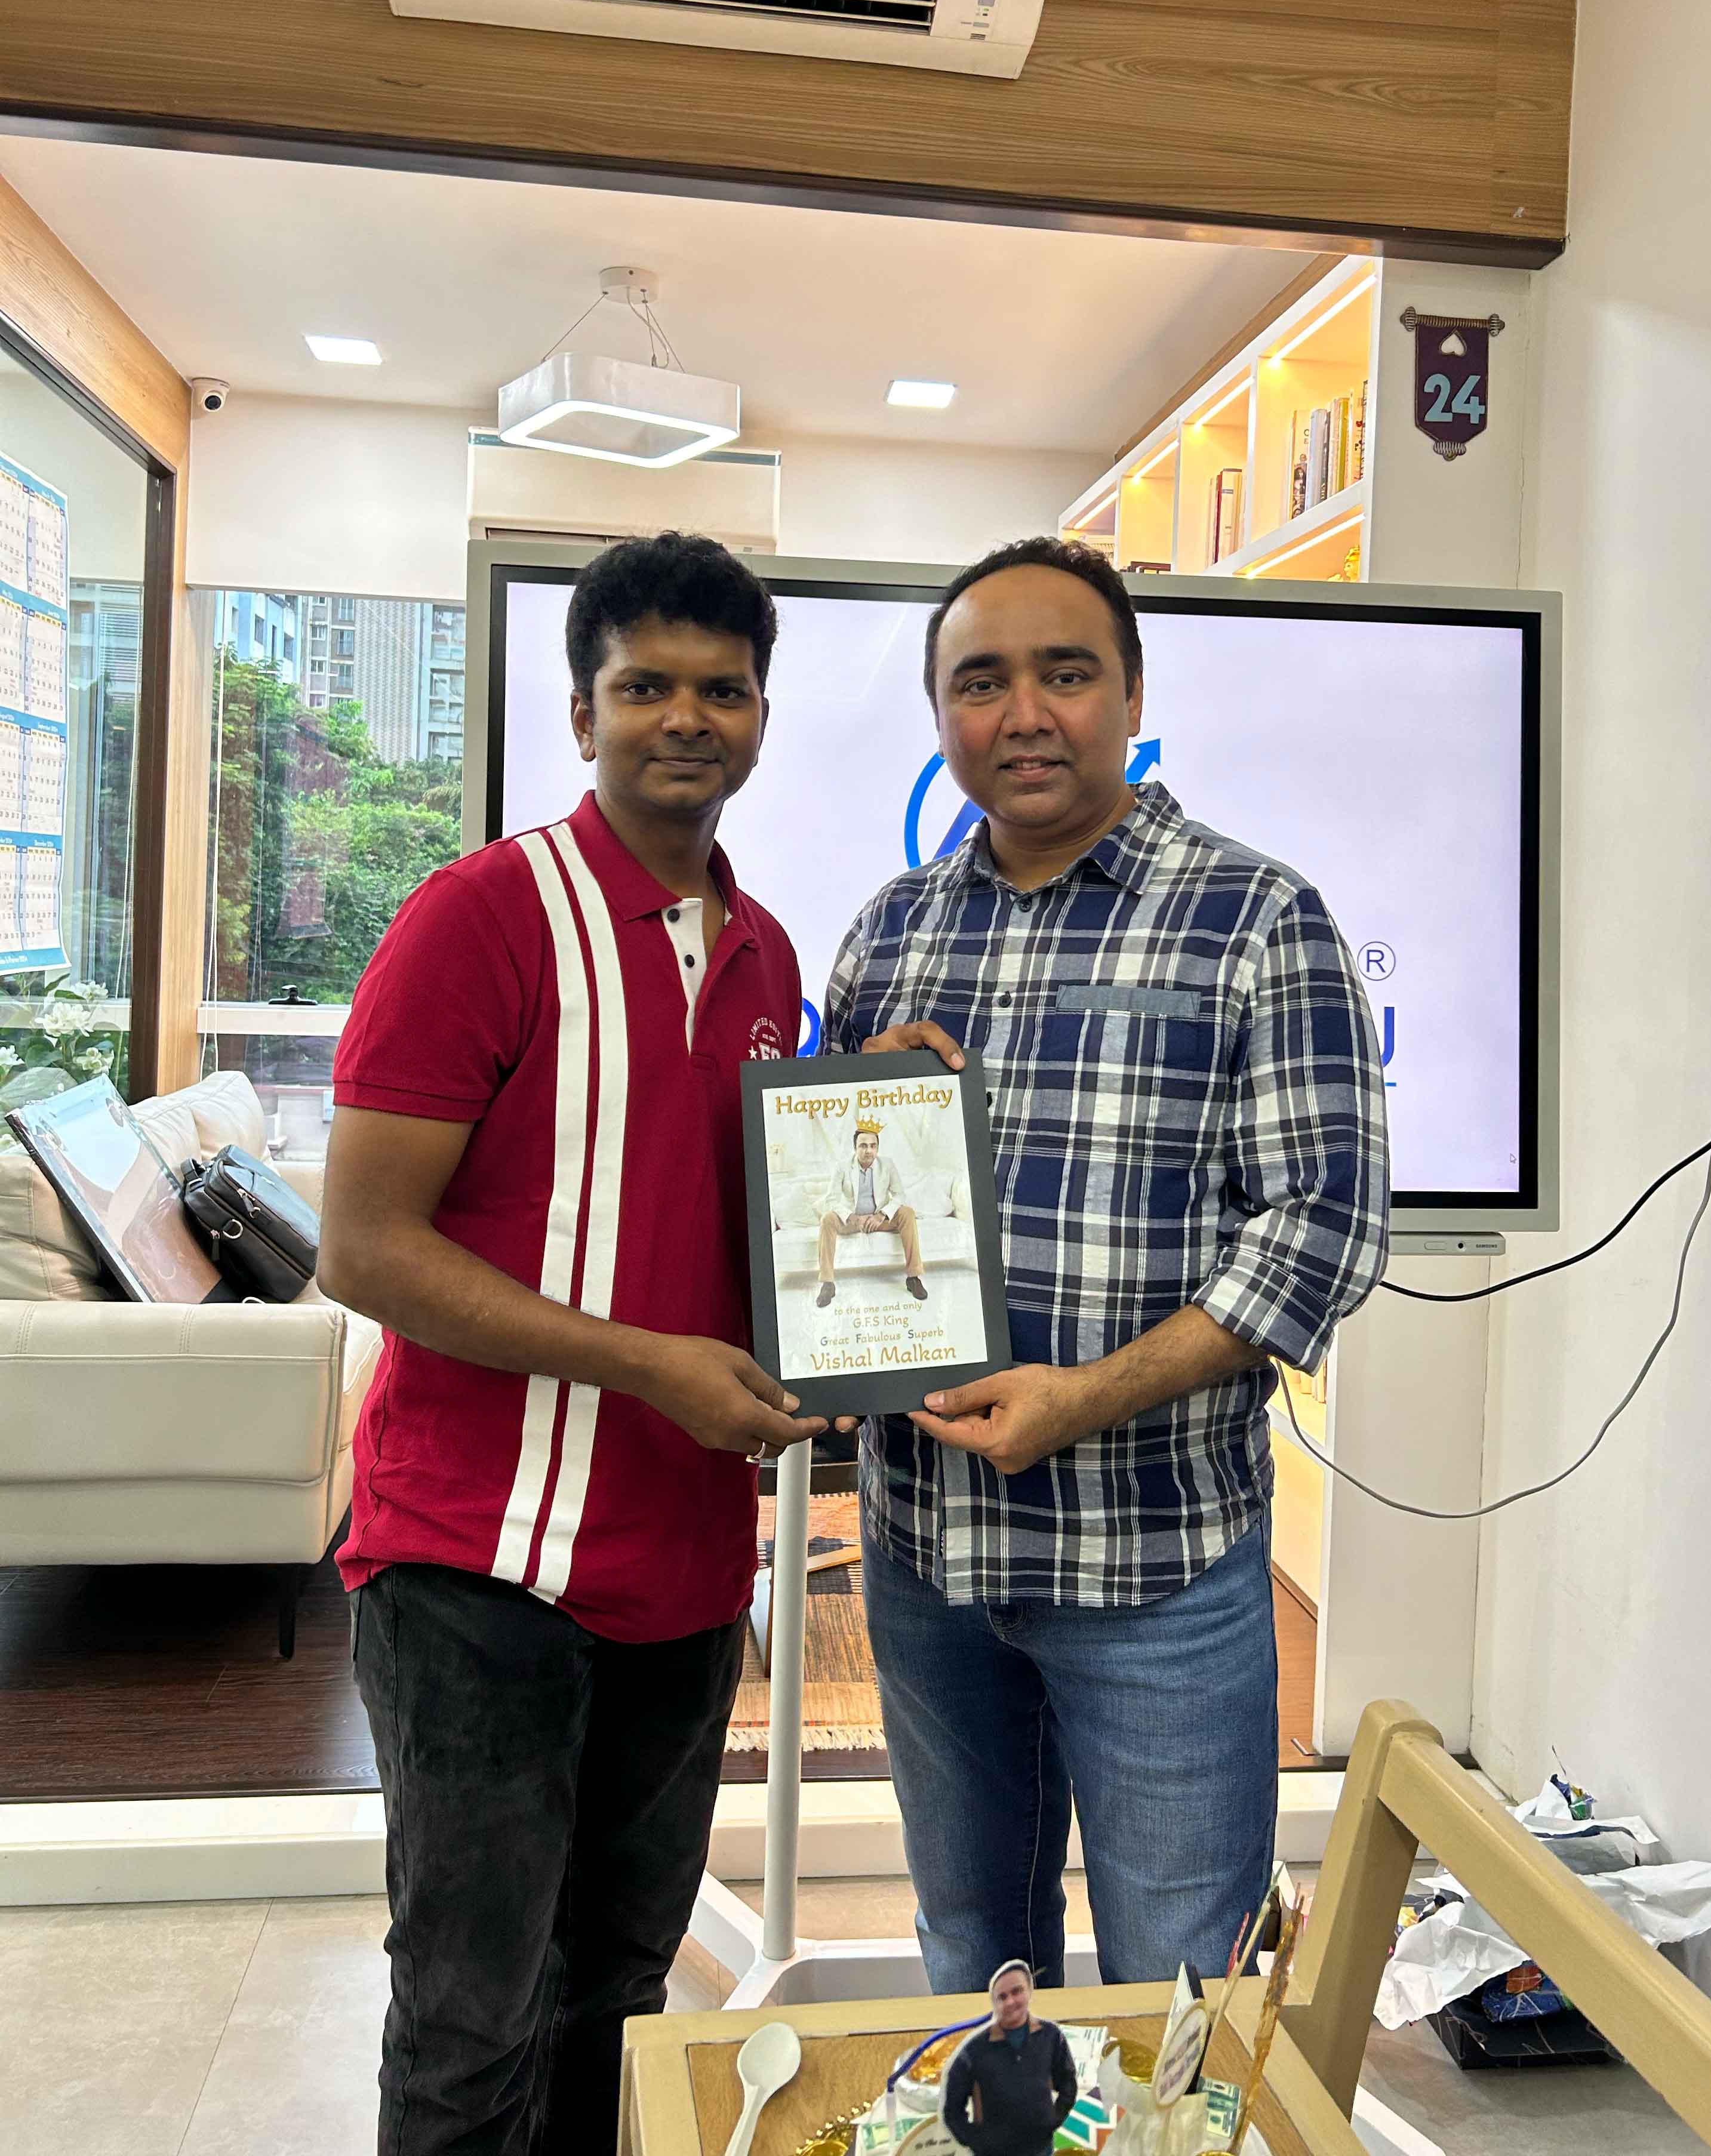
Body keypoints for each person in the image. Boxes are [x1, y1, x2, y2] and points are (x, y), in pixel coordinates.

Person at [318, 531, 825, 2155]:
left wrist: (865, 1123)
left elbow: (729, 1221)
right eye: (645, 685)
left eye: (722, 690)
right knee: (471, 2022)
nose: (687, 718)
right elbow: (364, 1247)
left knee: (615, 1995)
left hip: (683, 1570)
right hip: (476, 1566)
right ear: (582, 711)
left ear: (760, 718)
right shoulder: (480, 916)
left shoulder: (767, 953)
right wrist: (648, 1364)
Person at [824, 537, 1389, 1992]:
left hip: (1154, 1568)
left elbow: (1322, 1227)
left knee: (1184, 1987)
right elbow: (832, 1207)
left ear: (1133, 697)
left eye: (1065, 674)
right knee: (974, 1962)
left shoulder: (1257, 918)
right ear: (941, 715)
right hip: (927, 1554)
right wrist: (854, 1114)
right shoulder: (890, 934)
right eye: (980, 683)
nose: (1023, 715)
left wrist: (1085, 1398)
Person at [942, 1960, 1078, 2156]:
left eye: (1017, 1992)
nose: (1010, 2002)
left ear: (1030, 1991)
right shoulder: (974, 2051)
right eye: (1002, 1997)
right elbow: (952, 2110)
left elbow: (1067, 2082)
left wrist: (1052, 2119)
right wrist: (978, 2142)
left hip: (1041, 2149)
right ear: (994, 2003)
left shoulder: (1051, 2036)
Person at [817, 1120, 927, 1307]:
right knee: (827, 1219)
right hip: (853, 1221)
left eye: (873, 1146)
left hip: (879, 1220)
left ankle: (913, 1277)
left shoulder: (887, 1165)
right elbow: (831, 1199)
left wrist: (881, 1215)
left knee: (907, 1213)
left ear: (877, 1148)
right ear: (855, 1148)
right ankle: (828, 1283)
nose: (868, 1151)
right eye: (863, 1146)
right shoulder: (842, 1167)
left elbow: (900, 1195)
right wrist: (852, 1217)